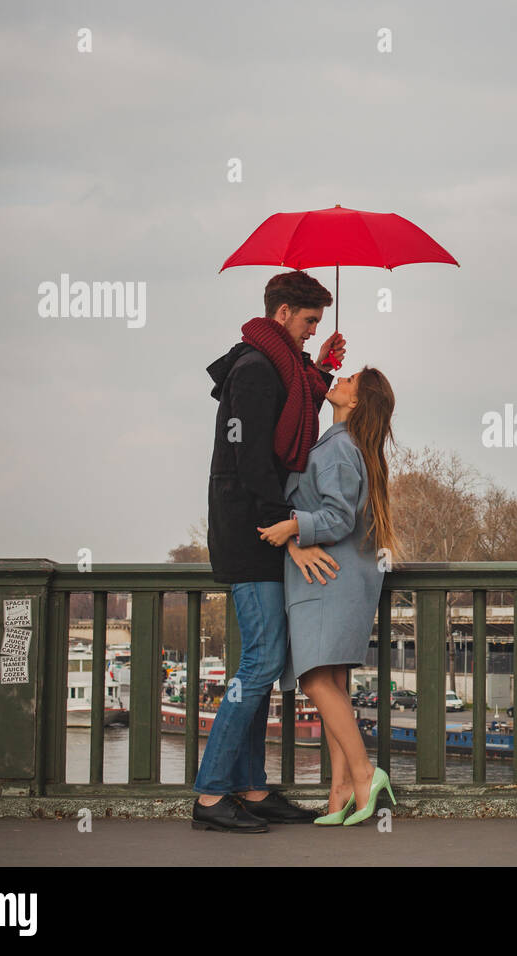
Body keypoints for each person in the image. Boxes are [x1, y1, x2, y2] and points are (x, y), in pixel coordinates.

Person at [192, 270, 347, 833]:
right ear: (283, 313)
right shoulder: (256, 372)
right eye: (309, 322)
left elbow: (290, 412)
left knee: (264, 664)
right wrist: (287, 530)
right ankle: (210, 797)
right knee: (260, 663)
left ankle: (252, 789)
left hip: (258, 532)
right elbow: (252, 465)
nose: (312, 332)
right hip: (252, 535)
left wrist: (324, 367)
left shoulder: (270, 365)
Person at [257, 367, 399, 826]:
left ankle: (363, 774)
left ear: (356, 402)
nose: (341, 378)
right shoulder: (353, 446)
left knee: (316, 683)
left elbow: (337, 517)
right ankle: (340, 794)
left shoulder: (337, 447)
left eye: (351, 379)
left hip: (326, 582)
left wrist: (294, 527)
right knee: (333, 686)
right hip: (347, 582)